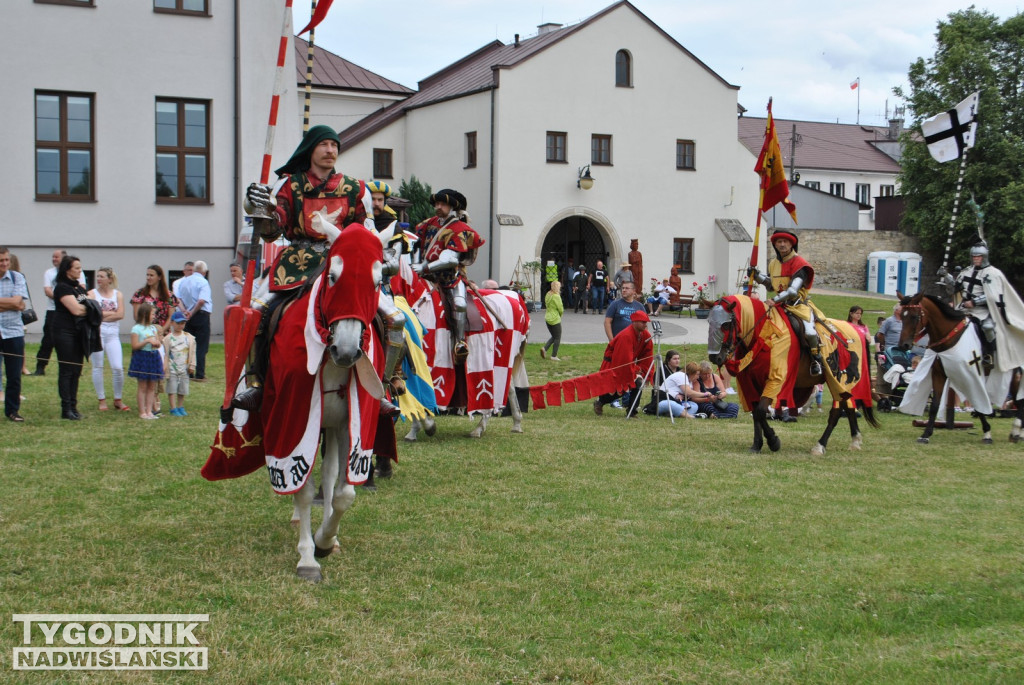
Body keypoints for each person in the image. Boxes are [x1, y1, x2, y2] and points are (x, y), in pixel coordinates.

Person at [233, 125, 376, 411]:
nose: (331, 150)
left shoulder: (356, 188)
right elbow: (273, 231)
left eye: (334, 145)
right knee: (258, 312)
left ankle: (388, 383)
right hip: (297, 261)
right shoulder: (289, 185)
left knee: (392, 316)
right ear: (310, 149)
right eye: (324, 144)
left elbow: (367, 226)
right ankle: (255, 383)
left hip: (344, 265)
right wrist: (258, 206)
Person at [412, 188, 485, 363]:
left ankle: (459, 343)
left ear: (452, 206)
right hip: (424, 278)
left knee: (460, 304)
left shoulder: (460, 229)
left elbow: (451, 259)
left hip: (449, 278)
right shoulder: (427, 224)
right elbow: (416, 245)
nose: (438, 207)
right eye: (436, 203)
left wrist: (424, 268)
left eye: (442, 204)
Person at [747, 230, 825, 376]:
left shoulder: (800, 264)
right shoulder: (773, 264)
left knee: (809, 332)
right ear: (775, 245)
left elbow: (792, 291)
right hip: (778, 306)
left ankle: (816, 359)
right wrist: (757, 276)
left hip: (797, 305)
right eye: (779, 242)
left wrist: (774, 300)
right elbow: (772, 284)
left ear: (791, 244)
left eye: (785, 242)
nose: (782, 244)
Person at [951, 241, 1024, 371]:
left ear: (984, 257)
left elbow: (993, 296)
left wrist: (974, 302)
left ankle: (988, 355)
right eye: (974, 256)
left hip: (983, 311)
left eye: (978, 256)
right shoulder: (966, 271)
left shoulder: (993, 273)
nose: (976, 259)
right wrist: (946, 277)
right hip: (964, 308)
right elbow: (955, 288)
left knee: (988, 327)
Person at [130, 265, 177, 414]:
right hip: (145, 332)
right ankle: (150, 405)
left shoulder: (168, 295)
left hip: (161, 334)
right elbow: (137, 316)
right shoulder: (140, 293)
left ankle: (154, 400)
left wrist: (161, 330)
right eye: (147, 275)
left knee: (160, 368)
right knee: (147, 371)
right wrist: (150, 328)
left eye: (151, 275)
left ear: (159, 277)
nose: (148, 278)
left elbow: (171, 315)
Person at [593, 309, 653, 418]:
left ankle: (632, 411)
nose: (645, 325)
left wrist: (645, 371)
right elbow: (622, 359)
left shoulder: (645, 334)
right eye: (643, 322)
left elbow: (647, 354)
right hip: (614, 365)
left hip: (626, 363)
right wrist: (635, 368)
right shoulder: (626, 336)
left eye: (646, 322)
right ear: (634, 322)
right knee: (619, 389)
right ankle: (600, 401)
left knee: (637, 383)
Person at [33, 248, 83, 376]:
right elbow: (48, 290)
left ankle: (76, 367)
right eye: (53, 257)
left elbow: (82, 290)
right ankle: (41, 366)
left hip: (72, 314)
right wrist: (63, 299)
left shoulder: (78, 272)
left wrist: (70, 301)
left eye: (57, 257)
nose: (54, 259)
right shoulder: (49, 273)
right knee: (48, 340)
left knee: (75, 340)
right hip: (53, 311)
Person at [53, 255, 90, 420]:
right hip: (64, 332)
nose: (80, 271)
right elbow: (76, 310)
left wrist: (89, 307)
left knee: (76, 370)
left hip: (78, 333)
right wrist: (90, 308)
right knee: (67, 370)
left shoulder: (78, 288)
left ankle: (74, 406)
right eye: (77, 268)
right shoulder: (62, 287)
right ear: (67, 270)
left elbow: (92, 303)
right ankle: (66, 408)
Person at [88, 267, 129, 412]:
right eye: (97, 276)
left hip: (113, 335)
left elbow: (120, 314)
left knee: (117, 367)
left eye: (102, 276)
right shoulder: (92, 294)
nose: (99, 279)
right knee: (98, 366)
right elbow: (92, 314)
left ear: (110, 279)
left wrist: (101, 314)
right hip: (97, 333)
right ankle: (102, 399)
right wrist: (106, 314)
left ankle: (118, 399)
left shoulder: (118, 295)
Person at [0, 246, 28, 421]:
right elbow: (15, 304)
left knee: (14, 375)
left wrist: (14, 303)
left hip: (13, 332)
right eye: (0, 261)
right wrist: (11, 304)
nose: (4, 264)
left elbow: (18, 303)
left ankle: (12, 410)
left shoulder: (17, 277)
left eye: (6, 260)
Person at [177, 260, 212, 381]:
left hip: (187, 316)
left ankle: (189, 371)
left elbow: (178, 299)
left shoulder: (184, 281)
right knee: (201, 345)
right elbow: (202, 301)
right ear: (205, 271)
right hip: (200, 315)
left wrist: (185, 311)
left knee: (189, 344)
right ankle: (200, 373)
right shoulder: (203, 282)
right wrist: (192, 312)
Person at [128, 303, 163, 419]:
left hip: (153, 356)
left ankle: (149, 411)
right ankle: (142, 411)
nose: (154, 316)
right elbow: (135, 345)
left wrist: (157, 343)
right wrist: (147, 341)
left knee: (152, 386)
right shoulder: (136, 329)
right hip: (142, 357)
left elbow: (158, 343)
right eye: (152, 313)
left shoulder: (153, 328)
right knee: (142, 386)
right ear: (145, 314)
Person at [163, 310, 196, 416]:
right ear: (172, 323)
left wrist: (192, 365)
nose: (181, 325)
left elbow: (193, 353)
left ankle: (180, 406)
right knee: (172, 388)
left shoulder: (189, 338)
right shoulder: (168, 339)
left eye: (183, 323)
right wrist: (165, 366)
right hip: (172, 368)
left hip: (184, 368)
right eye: (178, 323)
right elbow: (165, 354)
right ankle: (173, 408)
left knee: (182, 389)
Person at [654, 350, 698, 418]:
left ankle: (678, 413)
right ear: (668, 360)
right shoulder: (661, 371)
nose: (677, 361)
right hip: (665, 397)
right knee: (672, 404)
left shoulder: (682, 371)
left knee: (694, 405)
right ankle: (687, 415)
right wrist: (676, 395)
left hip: (679, 400)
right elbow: (660, 388)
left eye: (678, 358)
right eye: (674, 359)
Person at [541, 281, 563, 361]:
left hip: (547, 317)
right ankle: (554, 355)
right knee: (558, 337)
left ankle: (544, 349)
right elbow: (560, 308)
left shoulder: (548, 294)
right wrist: (560, 315)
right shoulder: (556, 296)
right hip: (555, 319)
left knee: (554, 336)